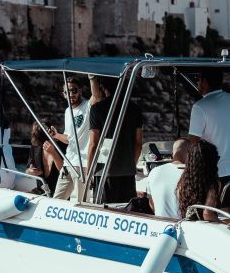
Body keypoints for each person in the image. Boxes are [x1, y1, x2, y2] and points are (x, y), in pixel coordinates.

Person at [187, 68, 230, 210]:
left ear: (205, 82)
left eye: (198, 79)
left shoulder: (200, 106)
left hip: (217, 170)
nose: (197, 82)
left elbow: (193, 142)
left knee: (217, 215)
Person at [86, 75, 143, 203]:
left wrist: (89, 173)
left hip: (105, 171)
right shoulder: (135, 109)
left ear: (103, 87)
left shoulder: (97, 109)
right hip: (128, 171)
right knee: (126, 211)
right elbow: (138, 143)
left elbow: (93, 144)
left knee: (104, 212)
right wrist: (130, 165)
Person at [176, 140, 230, 225]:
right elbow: (207, 214)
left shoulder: (183, 181)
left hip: (188, 224)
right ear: (211, 162)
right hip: (207, 226)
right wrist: (224, 224)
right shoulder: (212, 183)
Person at [50, 77, 96, 201]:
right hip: (68, 163)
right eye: (67, 92)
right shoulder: (67, 111)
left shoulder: (87, 106)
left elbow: (96, 96)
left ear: (80, 91)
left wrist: (92, 78)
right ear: (63, 94)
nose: (71, 94)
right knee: (56, 200)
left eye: (74, 90)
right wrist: (56, 135)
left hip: (83, 165)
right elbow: (69, 138)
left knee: (82, 203)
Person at [145, 138, 187, 218]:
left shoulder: (154, 171)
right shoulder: (193, 174)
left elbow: (152, 203)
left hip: (161, 223)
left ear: (172, 154)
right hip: (184, 225)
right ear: (191, 154)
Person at [25, 122, 62, 195]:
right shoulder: (36, 146)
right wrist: (31, 171)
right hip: (41, 191)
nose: (44, 144)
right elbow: (27, 171)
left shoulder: (61, 147)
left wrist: (53, 153)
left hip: (58, 193)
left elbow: (65, 172)